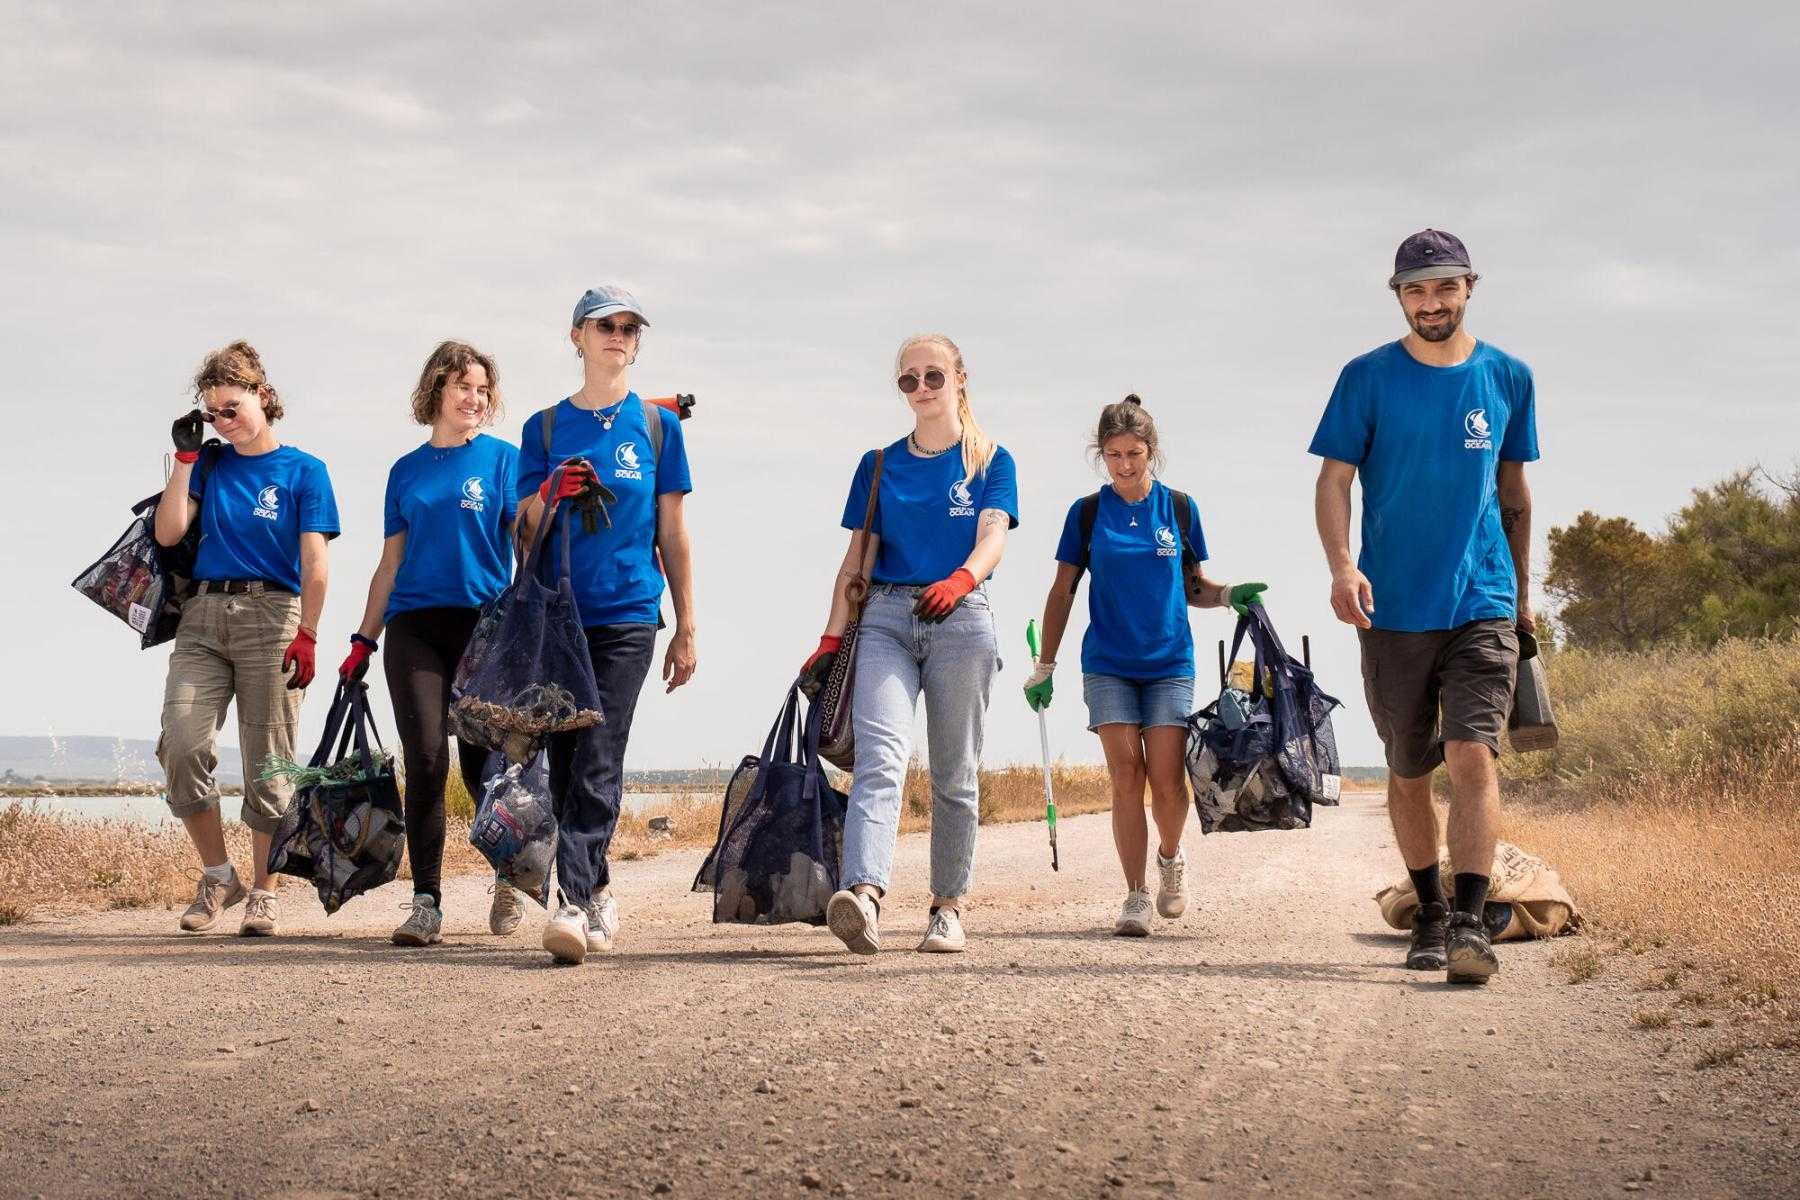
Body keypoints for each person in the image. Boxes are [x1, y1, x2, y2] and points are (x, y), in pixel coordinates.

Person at [1310, 229, 1538, 985]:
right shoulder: (1366, 378)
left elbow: (1513, 496)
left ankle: (1471, 924)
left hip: (1483, 599)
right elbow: (1335, 480)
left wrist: (1523, 599)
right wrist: (1344, 567)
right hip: (1393, 608)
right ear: (1399, 295)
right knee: (1409, 769)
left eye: (1444, 288)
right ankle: (1431, 914)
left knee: (1472, 754)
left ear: (1470, 285)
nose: (1431, 303)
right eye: (1415, 290)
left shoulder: (1508, 377)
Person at [802, 334, 1018, 956]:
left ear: (959, 378)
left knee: (954, 774)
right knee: (880, 759)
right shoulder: (878, 466)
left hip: (961, 615)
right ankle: (863, 896)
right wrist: (830, 634)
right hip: (888, 617)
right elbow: (856, 558)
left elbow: (994, 535)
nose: (922, 389)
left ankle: (947, 907)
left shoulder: (990, 460)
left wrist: (962, 577)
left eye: (933, 376)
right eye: (909, 380)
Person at [1023, 395, 1266, 936]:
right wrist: (1045, 665)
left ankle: (1171, 860)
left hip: (1168, 662)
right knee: (1126, 773)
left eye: (1134, 453)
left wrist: (1229, 595)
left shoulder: (1179, 508)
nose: (1125, 464)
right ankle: (1134, 893)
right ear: (1101, 456)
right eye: (1114, 455)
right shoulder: (1086, 514)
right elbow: (1062, 592)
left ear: (1151, 451)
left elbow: (1194, 586)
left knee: (1167, 776)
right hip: (1107, 661)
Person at [514, 286, 697, 965]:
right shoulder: (545, 429)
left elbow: (673, 530)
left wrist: (686, 624)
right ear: (577, 338)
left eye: (629, 328)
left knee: (598, 758)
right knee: (563, 764)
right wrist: (548, 492)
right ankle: (597, 892)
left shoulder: (656, 428)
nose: (618, 335)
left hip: (627, 613)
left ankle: (569, 900)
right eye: (605, 325)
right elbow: (523, 526)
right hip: (558, 617)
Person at [336, 341, 518, 947]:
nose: (474, 399)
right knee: (426, 761)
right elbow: (390, 563)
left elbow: (528, 541)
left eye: (483, 390)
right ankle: (427, 903)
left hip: (485, 627)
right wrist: (364, 639)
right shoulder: (405, 470)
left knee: (483, 765)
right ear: (437, 389)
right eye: (464, 386)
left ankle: (509, 876)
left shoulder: (503, 462)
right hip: (414, 626)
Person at [154, 341, 338, 937]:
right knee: (181, 744)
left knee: (269, 761)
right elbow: (169, 531)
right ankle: (217, 875)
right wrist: (183, 460)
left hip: (274, 614)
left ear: (262, 395)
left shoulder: (305, 471)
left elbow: (315, 561)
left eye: (231, 407)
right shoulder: (207, 463)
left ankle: (264, 890)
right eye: (213, 413)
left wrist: (308, 632)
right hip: (203, 616)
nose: (222, 422)